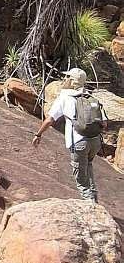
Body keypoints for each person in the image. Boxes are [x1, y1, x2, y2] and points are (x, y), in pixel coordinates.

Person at [32, 68, 107, 205]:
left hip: (79, 142)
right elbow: (104, 123)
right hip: (95, 141)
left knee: (81, 181)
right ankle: (94, 199)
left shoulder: (65, 97)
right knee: (88, 167)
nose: (65, 79)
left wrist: (38, 134)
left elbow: (50, 120)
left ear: (72, 81)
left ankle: (91, 207)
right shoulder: (90, 97)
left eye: (67, 77)